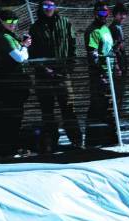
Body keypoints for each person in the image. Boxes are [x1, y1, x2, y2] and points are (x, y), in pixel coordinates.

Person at [29, 0, 83, 152]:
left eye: (51, 6)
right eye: (45, 6)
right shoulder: (35, 27)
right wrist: (43, 69)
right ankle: (50, 142)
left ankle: (77, 141)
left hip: (62, 73)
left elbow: (73, 44)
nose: (48, 9)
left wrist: (69, 66)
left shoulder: (65, 22)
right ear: (41, 8)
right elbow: (31, 54)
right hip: (43, 76)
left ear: (55, 7)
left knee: (68, 108)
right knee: (47, 110)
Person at [0, 9, 31, 156]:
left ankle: (12, 147)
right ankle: (10, 148)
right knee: (12, 117)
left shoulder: (11, 36)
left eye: (15, 22)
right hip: (10, 84)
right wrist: (25, 47)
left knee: (16, 116)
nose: (12, 25)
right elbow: (20, 58)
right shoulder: (5, 37)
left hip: (15, 83)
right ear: (2, 21)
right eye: (9, 22)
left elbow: (22, 56)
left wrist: (23, 47)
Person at [84, 1, 117, 147]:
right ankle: (94, 139)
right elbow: (93, 54)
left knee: (108, 106)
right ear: (95, 13)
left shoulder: (106, 29)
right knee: (99, 106)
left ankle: (109, 137)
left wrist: (116, 65)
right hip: (100, 75)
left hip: (109, 72)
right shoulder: (93, 30)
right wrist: (101, 72)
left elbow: (109, 50)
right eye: (101, 13)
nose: (104, 15)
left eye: (106, 12)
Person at [109, 2, 128, 112]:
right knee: (116, 93)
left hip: (123, 63)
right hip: (117, 66)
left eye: (124, 14)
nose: (123, 17)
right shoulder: (113, 28)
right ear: (115, 14)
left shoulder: (119, 27)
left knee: (120, 93)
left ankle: (117, 118)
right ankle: (114, 119)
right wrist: (116, 66)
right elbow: (113, 49)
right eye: (120, 14)